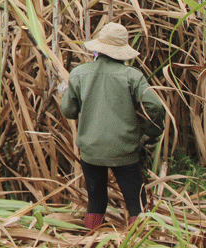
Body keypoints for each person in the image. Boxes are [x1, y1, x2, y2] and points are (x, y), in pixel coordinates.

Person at [60, 21, 166, 230]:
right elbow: (154, 106)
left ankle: (92, 239)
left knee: (96, 200)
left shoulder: (79, 73)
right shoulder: (132, 76)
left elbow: (68, 111)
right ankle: (137, 240)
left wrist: (71, 94)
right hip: (124, 150)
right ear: (122, 52)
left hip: (91, 150)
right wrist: (152, 132)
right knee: (136, 201)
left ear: (98, 48)